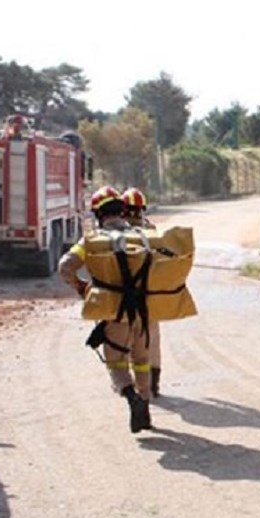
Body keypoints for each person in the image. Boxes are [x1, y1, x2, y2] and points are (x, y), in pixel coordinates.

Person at [58, 186, 153, 434]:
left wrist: (80, 286)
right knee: (142, 360)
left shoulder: (92, 241)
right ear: (121, 210)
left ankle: (131, 397)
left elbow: (65, 266)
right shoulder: (143, 235)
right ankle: (145, 406)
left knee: (116, 362)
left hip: (114, 314)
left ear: (99, 214)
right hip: (145, 313)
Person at [122, 186, 162, 397]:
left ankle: (136, 387)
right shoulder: (152, 231)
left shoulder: (120, 234)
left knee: (129, 344)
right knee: (153, 341)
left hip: (126, 298)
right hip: (152, 297)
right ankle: (153, 384)